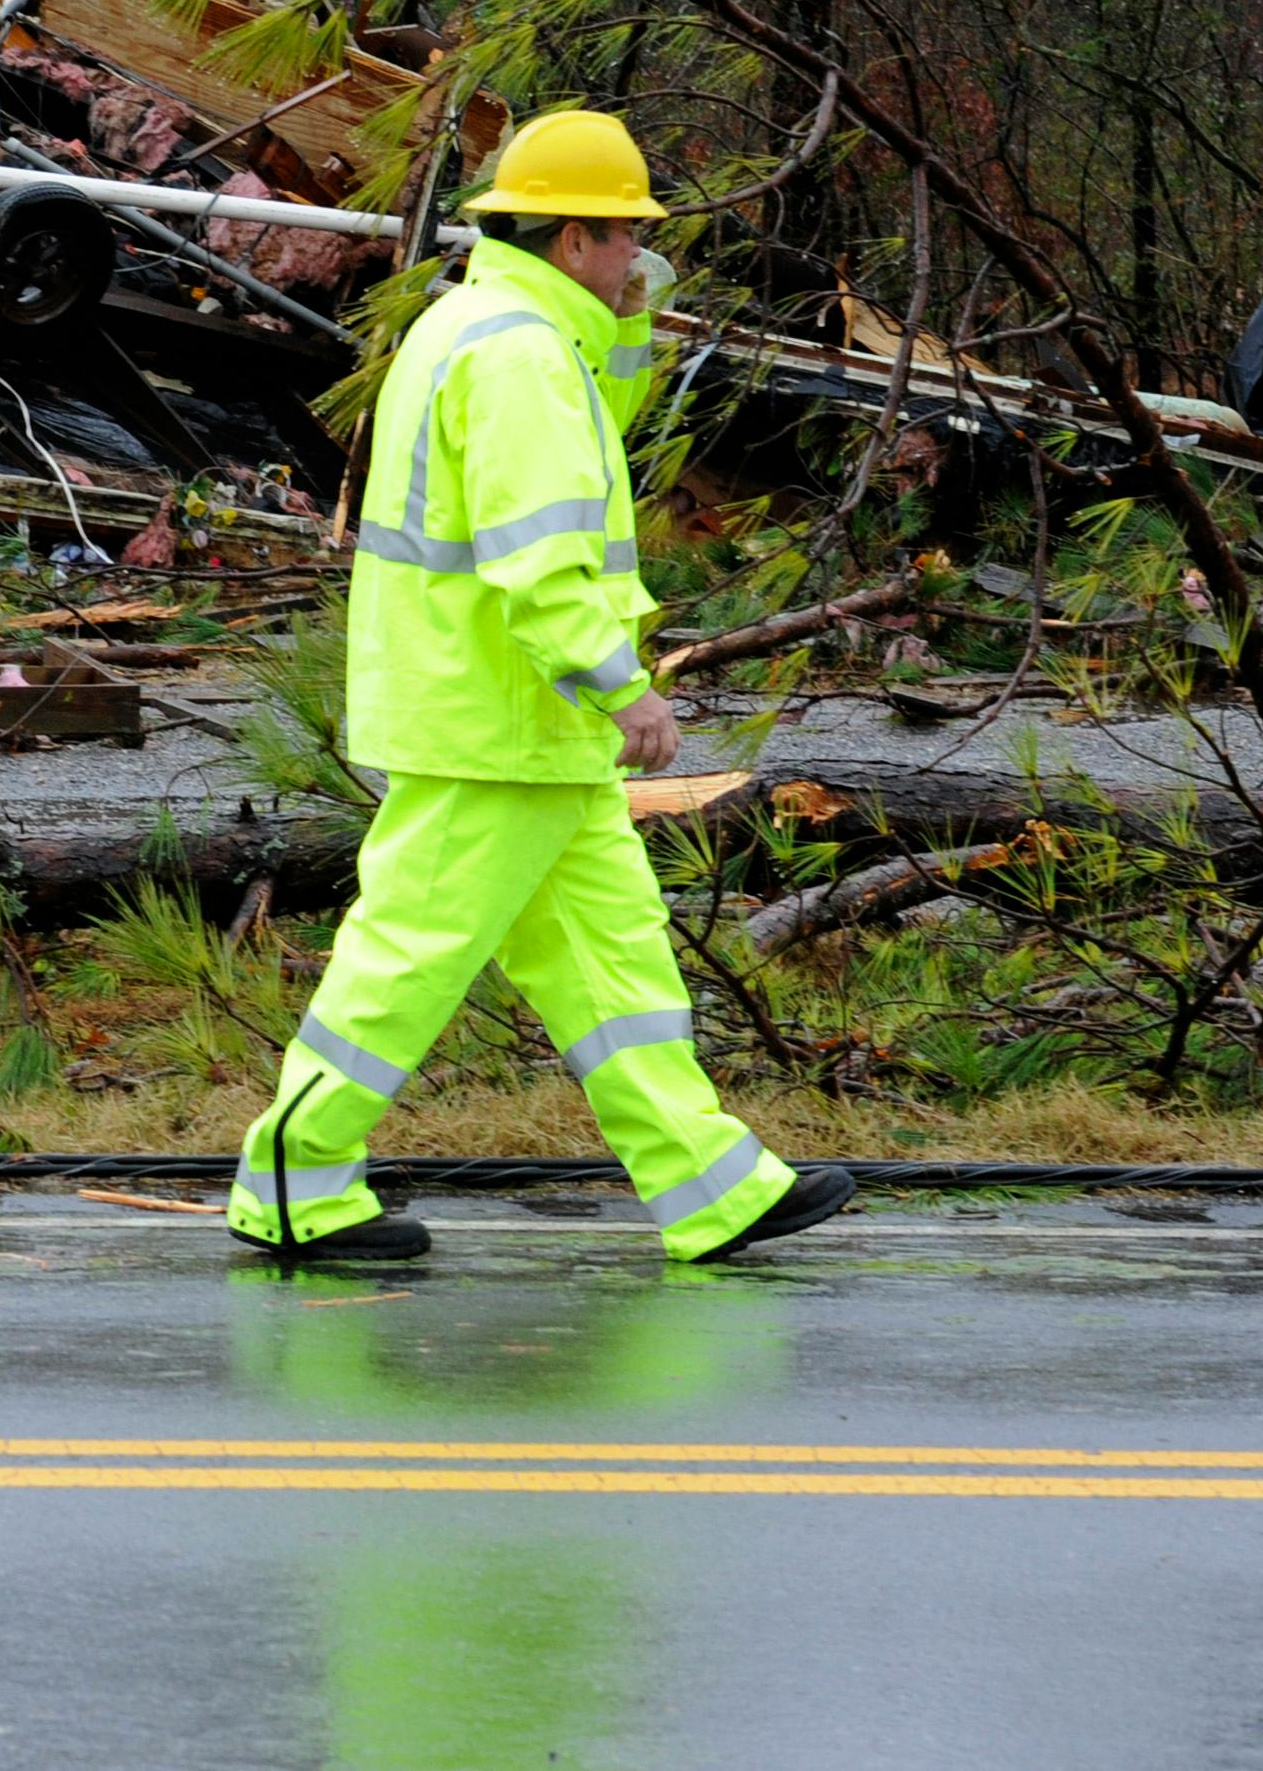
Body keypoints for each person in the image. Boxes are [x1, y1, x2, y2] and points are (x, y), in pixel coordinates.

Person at [227, 109, 856, 1266]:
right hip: (501, 721)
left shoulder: (492, 327)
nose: (637, 259)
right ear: (572, 240)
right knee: (406, 959)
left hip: (512, 723)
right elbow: (539, 553)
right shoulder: (517, 354)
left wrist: (627, 326)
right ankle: (289, 1185)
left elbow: (589, 436)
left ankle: (715, 1186)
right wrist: (624, 689)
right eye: (624, 239)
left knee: (617, 964)